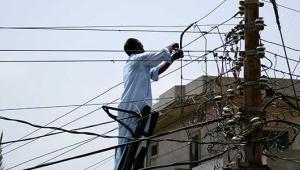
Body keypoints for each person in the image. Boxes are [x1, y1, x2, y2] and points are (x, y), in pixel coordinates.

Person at [115, 38, 184, 169]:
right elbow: (158, 56)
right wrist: (171, 46)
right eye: (140, 45)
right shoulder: (136, 60)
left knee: (139, 142)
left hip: (139, 108)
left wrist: (173, 58)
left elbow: (155, 72)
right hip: (130, 106)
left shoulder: (141, 65)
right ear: (134, 48)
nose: (143, 46)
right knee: (126, 145)